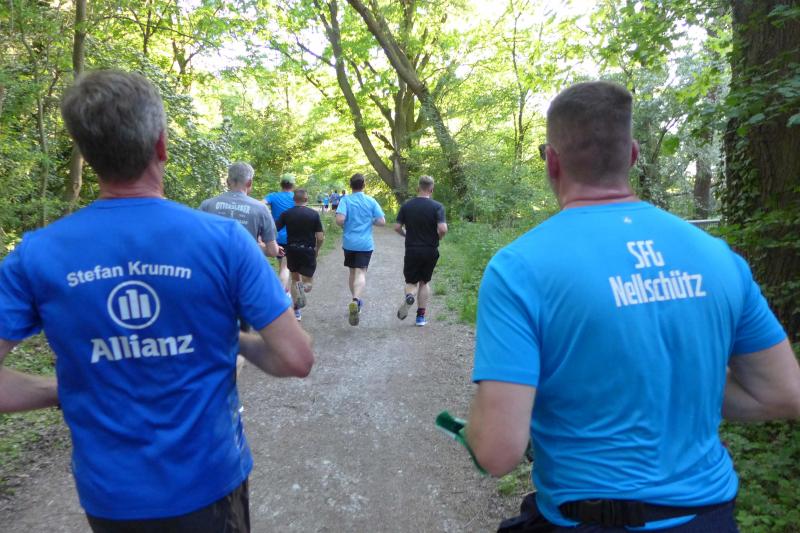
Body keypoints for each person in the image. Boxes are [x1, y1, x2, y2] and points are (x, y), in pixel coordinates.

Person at [462, 81, 800, 532]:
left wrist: (477, 426)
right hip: (711, 519)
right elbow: (782, 393)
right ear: (633, 155)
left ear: (552, 161)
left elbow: (497, 453)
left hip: (590, 521)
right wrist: (676, 377)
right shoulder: (717, 256)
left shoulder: (519, 269)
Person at [0, 70, 314, 532]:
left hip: (110, 496)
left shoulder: (36, 255)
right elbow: (296, 358)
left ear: (86, 153)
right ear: (161, 145)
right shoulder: (224, 242)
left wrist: (63, 390)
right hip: (209, 481)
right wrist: (238, 341)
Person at [394, 175, 448, 327]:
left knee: (411, 282)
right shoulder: (437, 207)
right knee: (424, 282)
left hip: (412, 249)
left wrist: (406, 234)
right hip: (430, 249)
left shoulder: (407, 206)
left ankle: (409, 296)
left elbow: (397, 227)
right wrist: (439, 237)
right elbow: (443, 228)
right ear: (431, 189)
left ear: (418, 188)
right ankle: (420, 317)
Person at [200, 162, 280, 259]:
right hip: (245, 265)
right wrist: (258, 246)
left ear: (227, 182)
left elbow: (195, 238)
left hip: (212, 264)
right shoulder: (261, 209)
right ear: (249, 183)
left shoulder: (207, 205)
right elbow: (272, 251)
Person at [336, 173, 385, 326]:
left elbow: (340, 220)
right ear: (364, 185)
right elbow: (382, 221)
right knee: (361, 272)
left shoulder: (345, 200)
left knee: (352, 272)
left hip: (349, 242)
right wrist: (370, 221)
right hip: (365, 243)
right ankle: (356, 300)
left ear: (351, 185)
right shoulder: (371, 201)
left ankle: (355, 300)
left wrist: (346, 224)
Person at [276, 189, 324, 321]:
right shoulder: (313, 214)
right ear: (306, 199)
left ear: (294, 200)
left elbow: (274, 229)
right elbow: (320, 237)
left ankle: (297, 310)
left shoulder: (286, 214)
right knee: (308, 282)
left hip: (291, 250)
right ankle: (303, 287)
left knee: (295, 279)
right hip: (308, 251)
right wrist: (317, 249)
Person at [265, 174, 296, 292]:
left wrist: (267, 218)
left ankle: (286, 291)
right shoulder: (296, 197)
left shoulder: (273, 196)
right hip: (293, 237)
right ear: (293, 185)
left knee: (282, 266)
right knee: (287, 268)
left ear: (281, 184)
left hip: (277, 237)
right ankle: (283, 294)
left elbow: (260, 204)